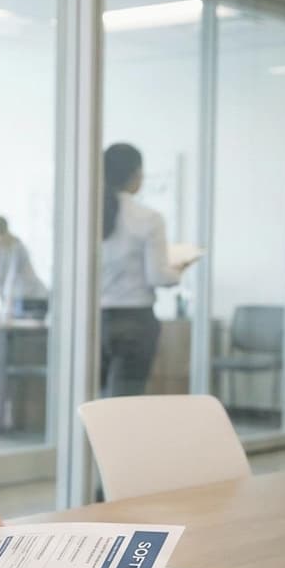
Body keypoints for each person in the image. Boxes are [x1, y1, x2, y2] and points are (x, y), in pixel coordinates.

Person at [98, 144, 195, 398]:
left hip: (93, 320)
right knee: (125, 401)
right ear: (135, 175)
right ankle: (115, 440)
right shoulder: (148, 218)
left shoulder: (87, 214)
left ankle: (88, 440)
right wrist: (178, 269)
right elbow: (158, 276)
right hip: (134, 321)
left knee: (92, 399)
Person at [0, 215, 48, 320]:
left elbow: (12, 279)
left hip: (34, 299)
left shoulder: (17, 248)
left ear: (3, 236)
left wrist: (7, 308)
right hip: (16, 301)